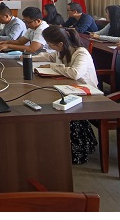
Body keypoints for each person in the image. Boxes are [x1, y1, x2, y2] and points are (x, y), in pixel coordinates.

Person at [33, 26, 98, 164]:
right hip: (69, 89)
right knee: (46, 99)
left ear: (60, 44)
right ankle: (54, 145)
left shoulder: (81, 53)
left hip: (86, 93)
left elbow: (75, 73)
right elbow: (49, 56)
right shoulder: (61, 51)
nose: (49, 47)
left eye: (51, 45)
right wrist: (29, 57)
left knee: (58, 109)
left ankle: (76, 150)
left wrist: (52, 66)